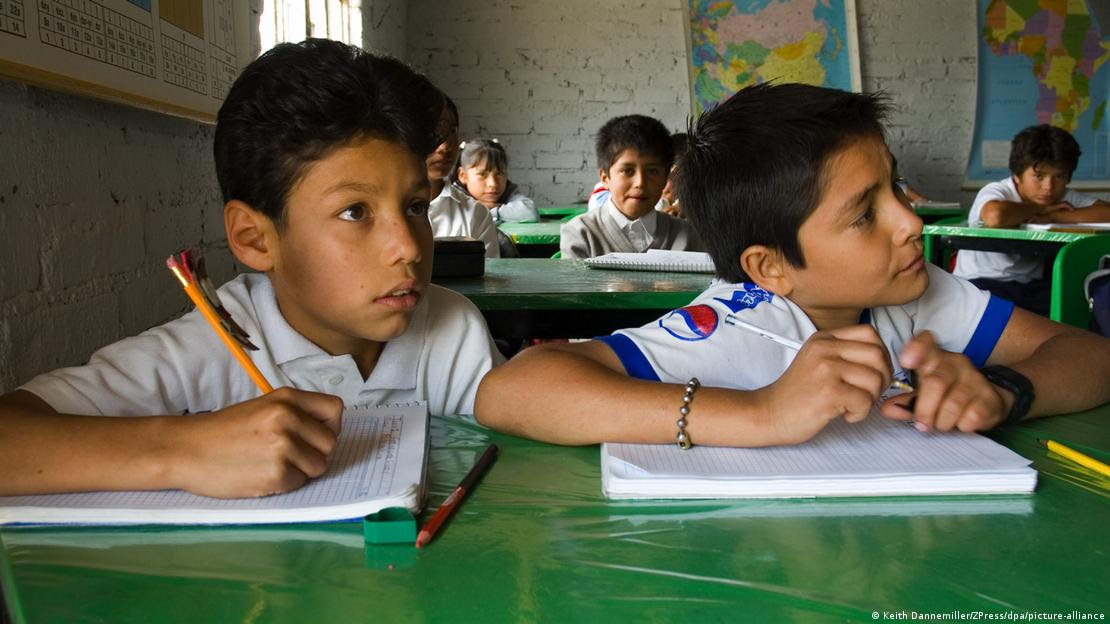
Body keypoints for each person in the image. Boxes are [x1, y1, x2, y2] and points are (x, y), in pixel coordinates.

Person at [476, 83, 1110, 447]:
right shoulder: (735, 324)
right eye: (865, 214)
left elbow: (1089, 355)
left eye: (895, 187)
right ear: (769, 267)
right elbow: (512, 390)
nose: (911, 223)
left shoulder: (917, 295)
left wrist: (1003, 390)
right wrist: (761, 413)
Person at [0, 39, 503, 497]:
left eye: (416, 207)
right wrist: (185, 450)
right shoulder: (214, 345)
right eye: (355, 212)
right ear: (254, 238)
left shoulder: (448, 327)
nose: (408, 248)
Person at [954, 124, 1110, 315]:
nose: (1049, 187)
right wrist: (1040, 208)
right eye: (1039, 176)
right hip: (981, 283)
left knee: (1078, 308)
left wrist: (1055, 216)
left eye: (1059, 176)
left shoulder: (1061, 197)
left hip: (1030, 287)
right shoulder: (998, 191)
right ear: (1017, 175)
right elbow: (995, 216)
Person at [562, 115, 703, 259]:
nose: (640, 182)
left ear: (665, 177)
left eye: (652, 171)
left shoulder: (688, 236)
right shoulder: (581, 234)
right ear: (605, 177)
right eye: (627, 171)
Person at [425, 98, 500, 257]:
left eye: (452, 131)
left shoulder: (476, 215)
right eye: (432, 131)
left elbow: (489, 280)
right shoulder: (379, 212)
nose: (445, 146)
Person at [453, 138, 538, 223]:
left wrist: (491, 208)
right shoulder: (451, 199)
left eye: (499, 174)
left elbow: (529, 212)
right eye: (482, 174)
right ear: (463, 176)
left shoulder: (508, 192)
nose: (493, 184)